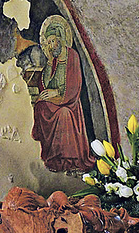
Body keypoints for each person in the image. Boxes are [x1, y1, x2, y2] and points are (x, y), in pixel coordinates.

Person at [31, 15, 95, 172]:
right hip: (55, 102)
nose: (51, 46)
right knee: (40, 106)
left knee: (64, 114)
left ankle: (70, 160)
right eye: (48, 42)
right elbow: (44, 84)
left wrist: (56, 93)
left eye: (53, 41)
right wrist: (47, 88)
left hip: (70, 104)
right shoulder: (51, 60)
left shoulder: (72, 56)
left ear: (60, 39)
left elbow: (74, 86)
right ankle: (54, 156)